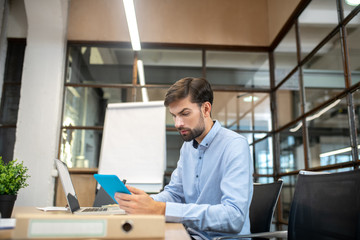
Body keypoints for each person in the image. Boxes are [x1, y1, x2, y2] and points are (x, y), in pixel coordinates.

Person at [115, 77, 253, 239]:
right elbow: (175, 193)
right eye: (174, 116)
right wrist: (144, 203)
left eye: (185, 113)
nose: (178, 123)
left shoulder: (234, 145)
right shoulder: (188, 147)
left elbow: (233, 217)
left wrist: (161, 209)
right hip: (189, 234)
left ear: (206, 109)